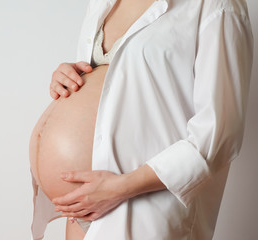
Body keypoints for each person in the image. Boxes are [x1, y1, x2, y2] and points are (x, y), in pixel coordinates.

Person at [32, 0, 254, 239]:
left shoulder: (215, 5)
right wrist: (68, 76)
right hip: (83, 208)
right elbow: (115, 86)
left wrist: (119, 188)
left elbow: (219, 132)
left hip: (140, 203)